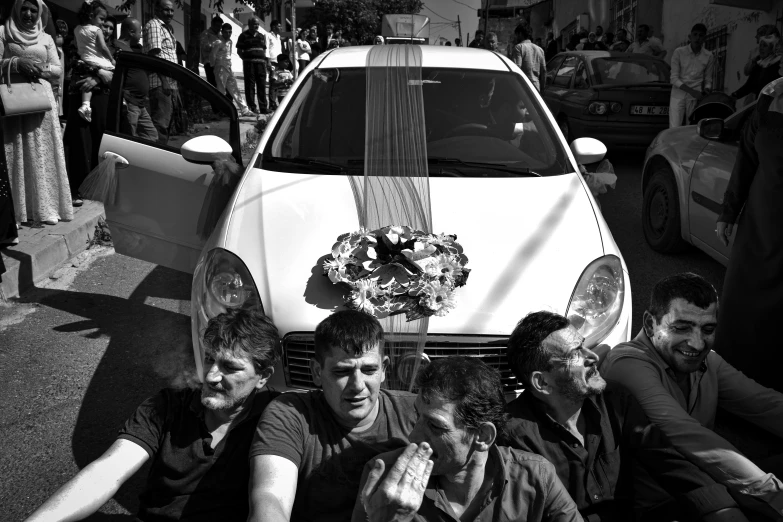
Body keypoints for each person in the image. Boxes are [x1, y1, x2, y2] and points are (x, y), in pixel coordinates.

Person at [23, 306, 282, 522]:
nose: (211, 376)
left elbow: (272, 499)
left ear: (263, 377)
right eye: (209, 359)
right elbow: (106, 472)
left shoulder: (280, 420)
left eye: (230, 367)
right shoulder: (166, 407)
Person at [504, 311, 745, 522]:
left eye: (584, 344)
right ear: (542, 382)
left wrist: (723, 509)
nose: (593, 357)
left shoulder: (614, 399)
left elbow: (668, 460)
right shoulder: (513, 438)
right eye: (575, 354)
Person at [601, 273, 783, 521]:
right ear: (650, 323)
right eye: (681, 327)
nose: (697, 344)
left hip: (713, 483)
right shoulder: (627, 365)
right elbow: (687, 436)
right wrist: (775, 496)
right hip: (660, 504)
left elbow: (764, 405)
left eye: (707, 329)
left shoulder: (708, 360)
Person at [352, 357, 583, 522]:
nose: (414, 437)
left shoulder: (535, 477)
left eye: (435, 425)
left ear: (483, 436)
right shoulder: (384, 478)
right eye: (417, 417)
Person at [247, 310, 418, 522]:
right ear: (317, 372)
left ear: (384, 369)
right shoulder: (291, 413)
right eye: (342, 372)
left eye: (369, 370)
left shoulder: (416, 413)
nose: (357, 386)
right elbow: (270, 497)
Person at [715, 61, 783, 392]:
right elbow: (748, 158)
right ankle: (733, 383)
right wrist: (729, 212)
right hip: (761, 224)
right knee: (743, 305)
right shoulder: (773, 95)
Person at [1, 0, 73, 226]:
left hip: (41, 100)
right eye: (24, 8)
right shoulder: (3, 32)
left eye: (34, 10)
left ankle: (45, 208)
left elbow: (58, 69)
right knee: (17, 150)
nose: (29, 14)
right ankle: (17, 212)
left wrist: (39, 68)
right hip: (15, 101)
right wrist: (15, 63)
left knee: (42, 152)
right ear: (16, 9)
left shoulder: (46, 38)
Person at [115, 18, 157, 141]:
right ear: (131, 32)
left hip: (140, 103)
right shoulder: (117, 47)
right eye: (140, 32)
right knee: (129, 137)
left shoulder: (133, 49)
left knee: (151, 135)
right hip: (130, 102)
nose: (140, 36)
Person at [72, 0, 115, 122]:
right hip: (97, 62)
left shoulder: (77, 29)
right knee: (113, 70)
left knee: (88, 84)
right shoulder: (96, 30)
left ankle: (85, 105)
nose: (103, 25)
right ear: (91, 16)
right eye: (102, 20)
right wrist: (111, 59)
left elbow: (78, 48)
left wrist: (96, 77)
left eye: (110, 28)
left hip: (85, 60)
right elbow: (103, 47)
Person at [143, 0, 179, 145]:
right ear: (157, 10)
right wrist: (165, 82)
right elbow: (154, 55)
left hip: (169, 83)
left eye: (171, 10)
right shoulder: (154, 25)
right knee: (160, 125)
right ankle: (157, 158)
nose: (170, 13)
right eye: (166, 10)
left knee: (167, 125)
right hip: (160, 83)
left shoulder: (167, 28)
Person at [669, 23, 714, 128]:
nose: (697, 38)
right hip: (678, 94)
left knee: (692, 128)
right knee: (674, 127)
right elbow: (674, 79)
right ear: (690, 37)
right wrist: (692, 91)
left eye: (701, 35)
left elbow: (708, 79)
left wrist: (707, 89)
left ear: (705, 38)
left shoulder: (709, 56)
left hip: (695, 96)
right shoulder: (679, 52)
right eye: (695, 34)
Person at [211, 23, 254, 117]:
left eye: (230, 32)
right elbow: (213, 55)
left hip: (228, 67)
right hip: (220, 68)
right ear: (222, 32)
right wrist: (214, 66)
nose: (228, 34)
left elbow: (228, 55)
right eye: (226, 32)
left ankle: (245, 109)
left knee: (234, 89)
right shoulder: (218, 42)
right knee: (221, 91)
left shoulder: (230, 41)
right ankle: (220, 111)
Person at [732, 32, 781, 101]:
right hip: (760, 104)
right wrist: (734, 95)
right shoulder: (759, 65)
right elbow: (749, 86)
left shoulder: (779, 65)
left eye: (764, 46)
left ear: (771, 49)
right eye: (760, 46)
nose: (761, 48)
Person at [236, 16, 268, 116]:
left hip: (261, 64)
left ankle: (263, 108)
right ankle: (252, 108)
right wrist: (246, 59)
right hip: (249, 64)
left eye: (258, 24)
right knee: (250, 86)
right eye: (255, 24)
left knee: (261, 86)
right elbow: (239, 51)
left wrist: (265, 61)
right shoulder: (243, 36)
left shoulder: (261, 36)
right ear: (249, 24)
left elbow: (264, 50)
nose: (257, 26)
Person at [511, 19, 546, 92]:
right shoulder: (540, 50)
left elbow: (516, 68)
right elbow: (544, 71)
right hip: (536, 86)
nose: (515, 37)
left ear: (520, 34)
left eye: (516, 35)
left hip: (523, 87)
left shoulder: (519, 47)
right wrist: (542, 89)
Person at [200, 15, 222, 87]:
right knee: (212, 85)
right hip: (209, 63)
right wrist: (215, 46)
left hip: (220, 63)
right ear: (212, 24)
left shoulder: (220, 35)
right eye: (217, 26)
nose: (219, 28)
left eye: (220, 26)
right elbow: (204, 46)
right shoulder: (205, 33)